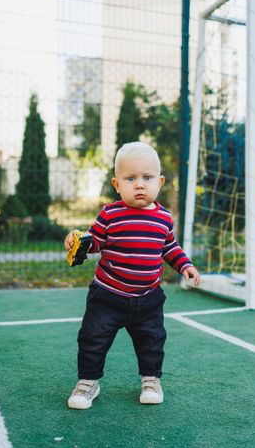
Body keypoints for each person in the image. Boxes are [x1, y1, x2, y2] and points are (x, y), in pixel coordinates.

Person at [65, 141, 200, 409]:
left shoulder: (163, 218)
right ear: (117, 184)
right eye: (131, 178)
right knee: (93, 338)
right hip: (107, 296)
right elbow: (96, 241)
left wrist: (186, 265)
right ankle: (88, 382)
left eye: (147, 178)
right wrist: (78, 240)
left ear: (159, 182)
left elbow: (169, 247)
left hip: (147, 298)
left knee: (152, 341)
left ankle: (151, 379)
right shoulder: (110, 213)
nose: (140, 184)